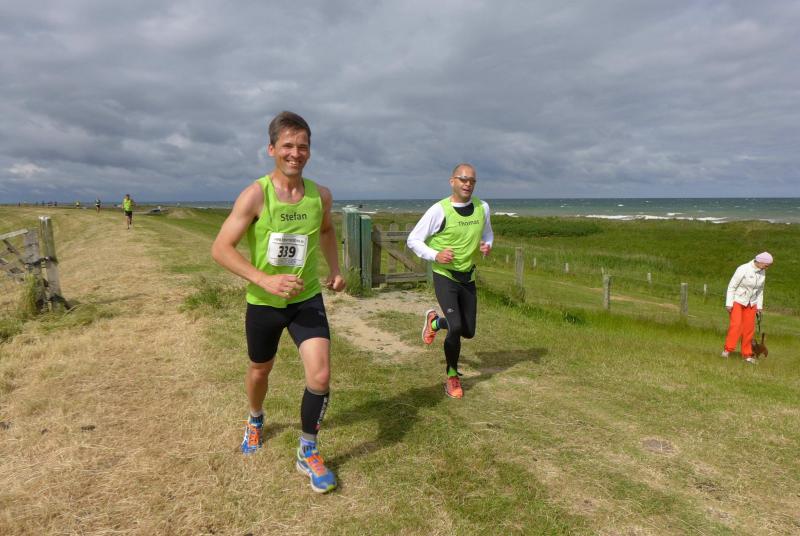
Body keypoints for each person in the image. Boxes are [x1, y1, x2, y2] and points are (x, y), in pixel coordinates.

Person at [211, 111, 345, 493]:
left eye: (302, 146)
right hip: (264, 303)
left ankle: (308, 450)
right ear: (271, 149)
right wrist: (264, 278)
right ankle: (255, 418)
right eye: (287, 145)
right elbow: (220, 248)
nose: (295, 153)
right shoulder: (256, 195)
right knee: (260, 370)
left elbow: (326, 230)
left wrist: (335, 269)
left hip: (306, 299)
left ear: (309, 151)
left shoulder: (321, 196)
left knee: (320, 376)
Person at [407, 163, 493, 399]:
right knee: (455, 327)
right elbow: (413, 240)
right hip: (445, 276)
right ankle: (452, 377)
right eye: (463, 179)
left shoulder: (482, 207)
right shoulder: (439, 210)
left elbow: (487, 233)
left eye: (472, 181)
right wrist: (435, 255)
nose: (468, 184)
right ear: (452, 181)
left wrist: (487, 245)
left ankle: (435, 322)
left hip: (468, 276)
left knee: (468, 331)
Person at [722, 252, 773, 363]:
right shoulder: (743, 268)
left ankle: (747, 354)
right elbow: (732, 286)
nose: (767, 268)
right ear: (760, 261)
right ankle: (727, 350)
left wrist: (759, 306)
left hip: (752, 303)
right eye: (766, 265)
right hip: (737, 301)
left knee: (749, 329)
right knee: (736, 326)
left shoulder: (762, 272)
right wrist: (729, 303)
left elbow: (760, 290)